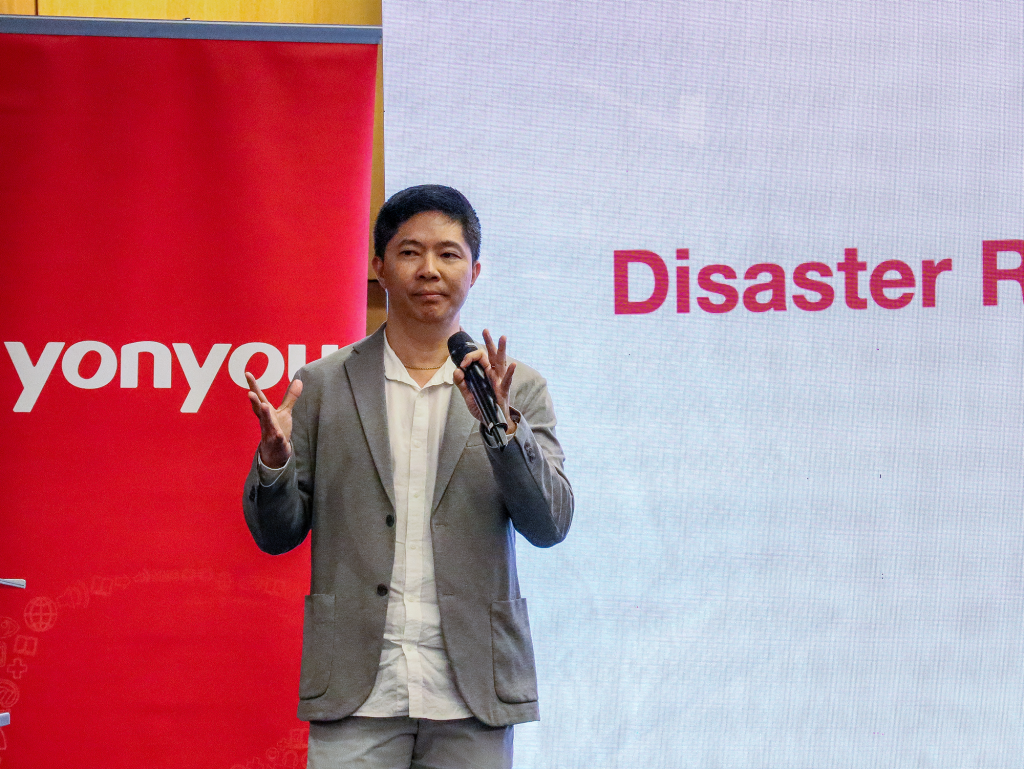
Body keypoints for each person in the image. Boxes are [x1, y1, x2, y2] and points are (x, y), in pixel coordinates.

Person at [242, 184, 573, 768]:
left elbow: (549, 524)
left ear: (475, 269)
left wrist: (503, 429)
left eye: (448, 254)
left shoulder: (516, 387)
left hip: (474, 685)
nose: (429, 270)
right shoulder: (322, 384)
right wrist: (273, 462)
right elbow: (276, 534)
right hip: (357, 687)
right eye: (409, 252)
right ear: (378, 266)